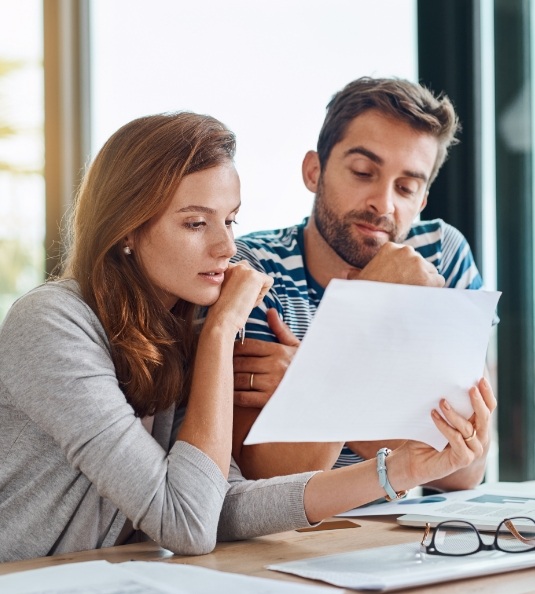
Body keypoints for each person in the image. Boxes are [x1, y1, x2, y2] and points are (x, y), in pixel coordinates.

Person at [0, 111, 494, 564]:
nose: (227, 246)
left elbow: (217, 503)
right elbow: (187, 524)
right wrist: (218, 332)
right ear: (126, 228)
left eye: (231, 219)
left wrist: (398, 472)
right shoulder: (51, 325)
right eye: (196, 223)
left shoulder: (172, 328)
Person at [231, 77, 496, 486]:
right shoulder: (252, 269)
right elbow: (268, 474)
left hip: (404, 537)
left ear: (422, 200)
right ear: (314, 171)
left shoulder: (441, 254)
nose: (384, 204)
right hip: (295, 542)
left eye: (406, 187)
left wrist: (308, 377)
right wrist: (365, 300)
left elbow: (464, 466)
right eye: (362, 172)